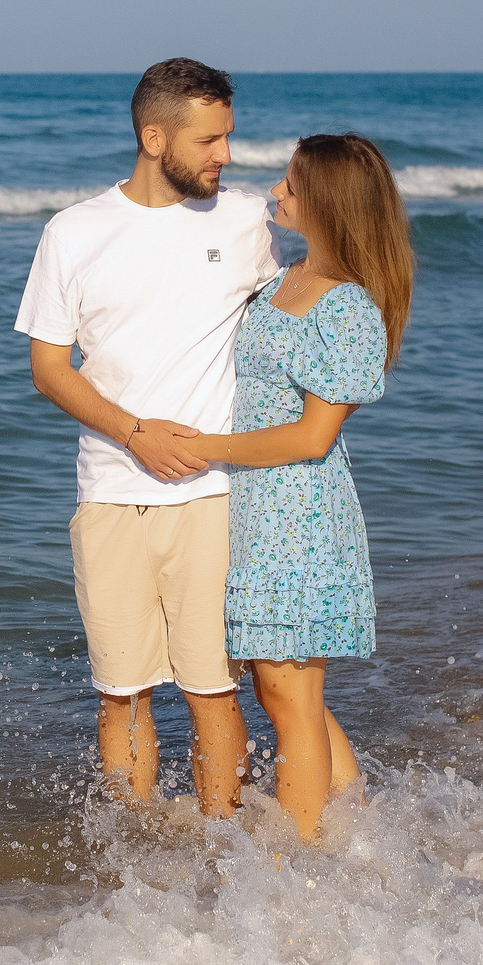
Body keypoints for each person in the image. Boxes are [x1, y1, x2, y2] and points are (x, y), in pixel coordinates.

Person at [15, 58, 280, 816]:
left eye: (227, 136)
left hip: (216, 496)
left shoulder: (246, 221)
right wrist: (135, 435)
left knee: (212, 689)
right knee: (121, 692)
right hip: (111, 497)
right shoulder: (73, 233)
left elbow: (293, 325)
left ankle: (223, 850)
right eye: (208, 140)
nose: (225, 155)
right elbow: (48, 370)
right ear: (153, 137)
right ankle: (135, 851)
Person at [167, 133, 413, 840]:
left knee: (288, 694)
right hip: (257, 509)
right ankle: (355, 826)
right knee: (285, 688)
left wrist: (204, 449)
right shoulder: (286, 277)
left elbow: (312, 438)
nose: (277, 192)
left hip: (301, 514)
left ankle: (297, 859)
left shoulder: (347, 308)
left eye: (292, 185)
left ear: (328, 205)